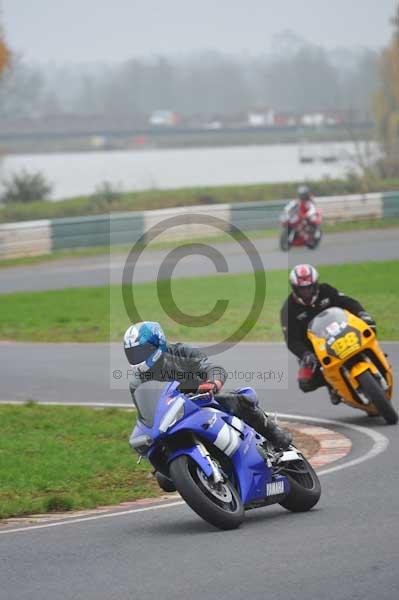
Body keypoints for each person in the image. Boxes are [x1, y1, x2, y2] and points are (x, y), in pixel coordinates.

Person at [123, 321, 292, 489]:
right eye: (133, 354)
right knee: (164, 479)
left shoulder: (181, 353)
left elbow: (212, 367)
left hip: (204, 399)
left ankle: (274, 434)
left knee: (240, 401)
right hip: (174, 416)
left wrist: (213, 382)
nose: (138, 358)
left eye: (141, 352)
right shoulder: (136, 383)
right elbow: (146, 411)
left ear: (157, 345)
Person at [280, 264, 376, 404]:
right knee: (305, 382)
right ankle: (333, 386)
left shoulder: (326, 290)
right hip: (315, 350)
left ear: (316, 284)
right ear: (294, 288)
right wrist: (305, 354)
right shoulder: (288, 309)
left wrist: (362, 314)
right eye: (302, 289)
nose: (307, 292)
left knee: (370, 330)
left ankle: (375, 360)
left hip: (343, 332)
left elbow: (349, 302)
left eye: (310, 287)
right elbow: (291, 340)